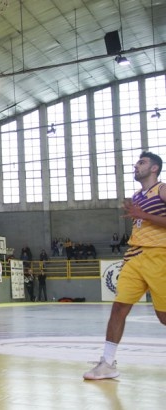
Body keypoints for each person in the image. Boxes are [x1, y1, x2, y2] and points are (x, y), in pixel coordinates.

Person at [84, 152, 166, 380]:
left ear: (154, 168)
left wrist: (144, 215)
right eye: (137, 162)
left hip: (159, 256)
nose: (136, 166)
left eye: (142, 162)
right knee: (119, 308)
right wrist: (140, 215)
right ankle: (107, 363)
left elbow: (148, 219)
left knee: (163, 317)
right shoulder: (136, 196)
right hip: (133, 256)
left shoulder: (162, 189)